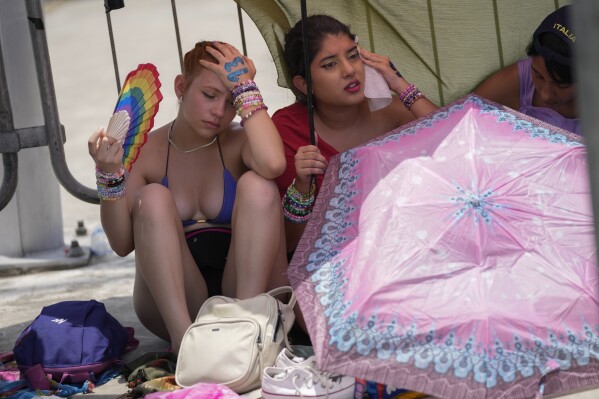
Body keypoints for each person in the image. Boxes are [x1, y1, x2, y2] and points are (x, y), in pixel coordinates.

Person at [88, 41, 289, 353]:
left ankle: (249, 330)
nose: (219, 112)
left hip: (244, 291)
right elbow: (121, 243)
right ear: (181, 86)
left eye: (230, 100)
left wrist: (245, 88)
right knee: (152, 196)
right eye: (209, 95)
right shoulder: (148, 151)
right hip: (177, 304)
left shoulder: (239, 141)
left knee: (260, 185)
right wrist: (108, 173)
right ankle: (184, 343)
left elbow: (274, 163)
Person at [273, 14, 438, 255]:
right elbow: (291, 245)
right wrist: (301, 188)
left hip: (410, 251)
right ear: (304, 85)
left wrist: (399, 83)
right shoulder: (289, 129)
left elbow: (457, 142)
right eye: (330, 64)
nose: (350, 70)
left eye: (353, 56)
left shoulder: (393, 111)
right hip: (337, 266)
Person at [475, 5, 580, 135]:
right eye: (538, 76)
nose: (545, 95)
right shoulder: (522, 79)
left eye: (562, 84)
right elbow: (461, 115)